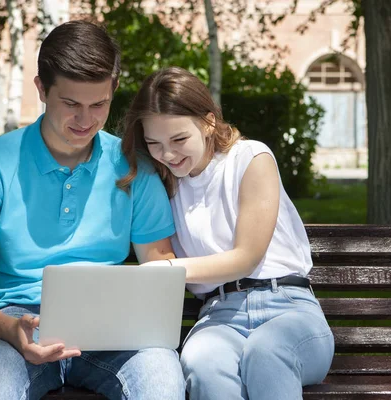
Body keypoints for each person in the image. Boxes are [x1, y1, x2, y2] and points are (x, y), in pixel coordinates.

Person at [0, 21, 185, 400]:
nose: (85, 120)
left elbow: (158, 270)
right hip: (12, 325)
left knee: (162, 378)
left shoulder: (135, 168)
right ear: (41, 89)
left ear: (114, 90)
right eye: (71, 104)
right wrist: (9, 329)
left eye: (98, 104)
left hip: (111, 327)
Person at [119, 66, 335, 400]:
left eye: (179, 139)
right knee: (202, 362)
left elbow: (246, 258)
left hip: (289, 308)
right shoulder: (162, 183)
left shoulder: (251, 158)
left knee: (266, 353)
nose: (169, 154)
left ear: (208, 122)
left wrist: (168, 269)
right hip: (219, 315)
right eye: (154, 143)